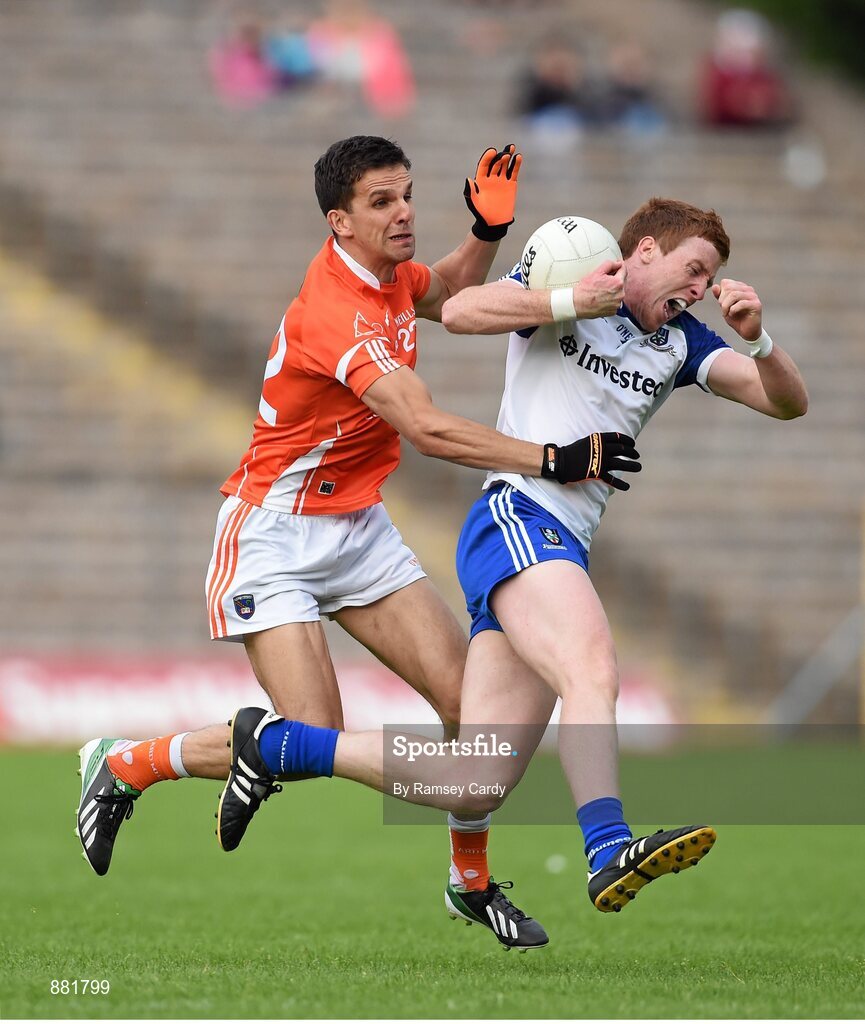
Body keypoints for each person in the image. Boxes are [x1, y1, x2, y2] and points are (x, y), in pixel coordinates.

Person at [75, 136, 640, 952]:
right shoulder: (335, 309)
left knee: (467, 714)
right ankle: (124, 762)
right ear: (339, 222)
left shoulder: (386, 279)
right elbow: (427, 427)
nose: (403, 211)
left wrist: (483, 230)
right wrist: (554, 459)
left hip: (358, 530)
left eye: (407, 194)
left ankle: (469, 884)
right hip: (273, 533)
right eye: (381, 202)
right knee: (309, 729)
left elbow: (443, 292)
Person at [204, 197, 807, 923]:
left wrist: (759, 339)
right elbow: (460, 313)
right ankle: (607, 847)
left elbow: (786, 404)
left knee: (474, 781)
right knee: (592, 668)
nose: (699, 288)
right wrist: (566, 300)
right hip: (517, 515)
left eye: (709, 279)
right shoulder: (574, 277)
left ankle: (283, 748)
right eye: (693, 269)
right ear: (643, 251)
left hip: (560, 545)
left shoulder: (683, 343)